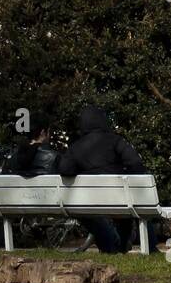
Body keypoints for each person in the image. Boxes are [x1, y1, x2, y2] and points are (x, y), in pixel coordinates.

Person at [57, 106, 149, 254]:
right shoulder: (115, 141)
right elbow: (136, 164)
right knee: (135, 206)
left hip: (88, 202)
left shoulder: (76, 148)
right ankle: (125, 245)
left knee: (89, 215)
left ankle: (110, 246)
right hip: (120, 200)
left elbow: (65, 169)